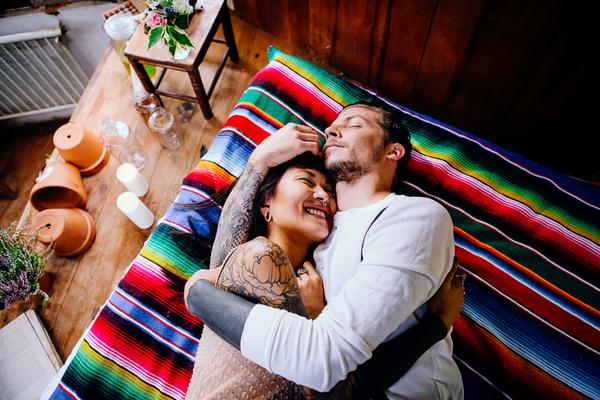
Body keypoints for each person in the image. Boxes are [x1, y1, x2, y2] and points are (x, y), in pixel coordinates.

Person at [186, 101, 465, 399]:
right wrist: (260, 160)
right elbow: (234, 263)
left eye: (354, 124)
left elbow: (322, 362)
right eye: (333, 126)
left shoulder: (413, 216)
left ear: (393, 151)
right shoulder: (318, 248)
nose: (331, 130)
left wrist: (197, 292)